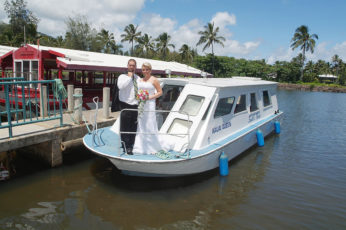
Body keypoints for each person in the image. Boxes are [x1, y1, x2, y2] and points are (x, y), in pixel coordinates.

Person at [133, 62, 172, 154]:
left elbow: (160, 92)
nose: (145, 71)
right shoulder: (140, 80)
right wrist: (139, 97)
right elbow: (137, 91)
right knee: (141, 122)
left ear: (150, 70)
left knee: (150, 122)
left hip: (150, 104)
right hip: (141, 103)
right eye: (143, 70)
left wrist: (149, 97)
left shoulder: (154, 80)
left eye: (147, 69)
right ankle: (141, 143)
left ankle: (152, 144)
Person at [117, 59, 139, 155]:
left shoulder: (138, 78)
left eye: (133, 65)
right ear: (127, 66)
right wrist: (129, 77)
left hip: (135, 105)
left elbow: (140, 89)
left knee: (133, 127)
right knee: (125, 127)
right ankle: (125, 145)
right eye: (130, 65)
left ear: (135, 67)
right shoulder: (122, 77)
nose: (132, 67)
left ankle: (131, 144)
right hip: (125, 105)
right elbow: (121, 86)